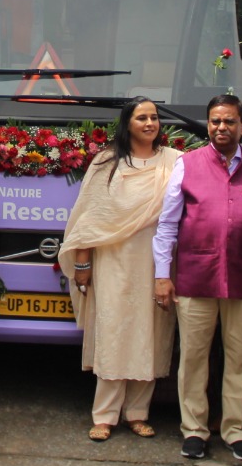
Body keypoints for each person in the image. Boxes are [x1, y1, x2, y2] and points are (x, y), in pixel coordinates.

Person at [153, 95, 242, 460]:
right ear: (208, 124)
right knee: (194, 357)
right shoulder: (188, 164)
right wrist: (161, 275)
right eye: (215, 121)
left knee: (239, 358)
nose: (221, 128)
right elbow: (168, 224)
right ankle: (195, 429)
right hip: (196, 275)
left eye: (229, 121)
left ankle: (237, 430)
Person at [61, 99, 179, 442]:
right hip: (112, 261)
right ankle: (105, 414)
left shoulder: (175, 162)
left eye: (154, 117)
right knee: (113, 332)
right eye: (141, 117)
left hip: (157, 262)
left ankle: (138, 413)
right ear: (127, 124)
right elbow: (89, 220)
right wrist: (82, 265)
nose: (149, 123)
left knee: (150, 333)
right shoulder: (107, 162)